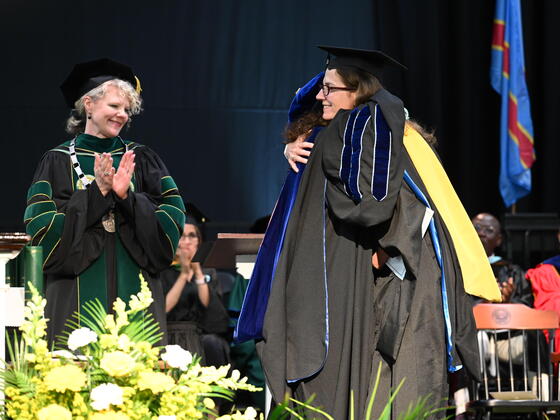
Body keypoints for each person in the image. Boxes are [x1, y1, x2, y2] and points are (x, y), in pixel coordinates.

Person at [236, 46, 500, 419]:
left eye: (330, 88)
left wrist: (385, 254)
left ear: (358, 92)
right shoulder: (340, 135)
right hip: (372, 279)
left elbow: (413, 212)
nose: (319, 96)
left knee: (404, 378)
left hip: (408, 279)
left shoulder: (396, 140)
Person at [23, 58, 185, 346]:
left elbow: (172, 216)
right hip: (75, 288)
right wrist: (95, 194)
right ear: (89, 104)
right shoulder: (56, 161)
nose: (122, 115)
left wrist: (127, 198)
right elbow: (41, 227)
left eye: (127, 110)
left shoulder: (142, 159)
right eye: (114, 106)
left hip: (136, 285)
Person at [162, 219, 230, 367]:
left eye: (192, 236)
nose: (187, 241)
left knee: (213, 344)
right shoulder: (163, 271)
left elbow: (213, 311)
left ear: (199, 242)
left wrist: (197, 271)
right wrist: (183, 276)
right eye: (182, 236)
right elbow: (162, 310)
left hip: (200, 336)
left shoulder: (208, 272)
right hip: (169, 335)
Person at [472, 212, 532, 305]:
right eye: (477, 228)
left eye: (489, 230)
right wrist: (483, 302)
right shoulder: (457, 269)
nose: (481, 233)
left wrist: (508, 301)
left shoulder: (513, 272)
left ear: (498, 240)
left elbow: (527, 304)